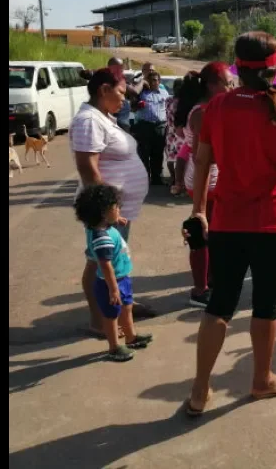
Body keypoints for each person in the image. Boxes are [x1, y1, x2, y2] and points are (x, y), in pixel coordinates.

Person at [185, 31, 276, 415]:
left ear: (237, 67)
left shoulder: (216, 107)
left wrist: (200, 209)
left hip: (226, 220)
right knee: (265, 306)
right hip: (271, 224)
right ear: (275, 70)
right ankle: (262, 380)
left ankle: (199, 390)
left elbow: (203, 163)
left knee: (220, 304)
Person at [69, 68, 153, 339]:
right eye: (120, 93)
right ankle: (99, 320)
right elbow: (87, 166)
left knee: (114, 260)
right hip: (104, 212)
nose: (124, 100)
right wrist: (105, 213)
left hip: (117, 210)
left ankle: (121, 304)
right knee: (98, 263)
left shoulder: (103, 117)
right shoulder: (88, 121)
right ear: (103, 90)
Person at [174, 62, 234, 308]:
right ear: (212, 85)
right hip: (206, 181)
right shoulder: (202, 113)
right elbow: (201, 159)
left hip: (210, 179)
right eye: (227, 82)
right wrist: (198, 206)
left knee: (215, 233)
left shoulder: (211, 108)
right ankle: (200, 289)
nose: (232, 86)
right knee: (203, 231)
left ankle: (210, 280)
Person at [74, 184, 153, 361]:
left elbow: (100, 221)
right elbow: (105, 265)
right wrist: (113, 288)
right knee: (111, 315)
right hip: (111, 282)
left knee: (127, 307)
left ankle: (131, 336)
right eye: (116, 208)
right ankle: (114, 346)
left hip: (121, 278)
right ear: (104, 213)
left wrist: (115, 219)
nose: (119, 209)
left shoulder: (98, 227)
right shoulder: (102, 239)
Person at [133, 71, 171, 185]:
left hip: (160, 127)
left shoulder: (164, 93)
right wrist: (138, 105)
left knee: (158, 154)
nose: (153, 82)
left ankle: (157, 178)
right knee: (144, 153)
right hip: (144, 126)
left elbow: (169, 108)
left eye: (155, 80)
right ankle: (145, 178)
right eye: (151, 80)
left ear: (159, 81)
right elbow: (133, 108)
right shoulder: (141, 93)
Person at [165, 78, 185, 196]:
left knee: (171, 157)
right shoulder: (183, 102)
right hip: (178, 132)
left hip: (171, 132)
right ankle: (177, 181)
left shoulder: (168, 99)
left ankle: (174, 180)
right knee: (179, 158)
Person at [107, 57, 132, 133]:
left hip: (123, 124)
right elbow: (134, 91)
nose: (121, 69)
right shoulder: (110, 80)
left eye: (122, 66)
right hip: (116, 126)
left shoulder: (121, 79)